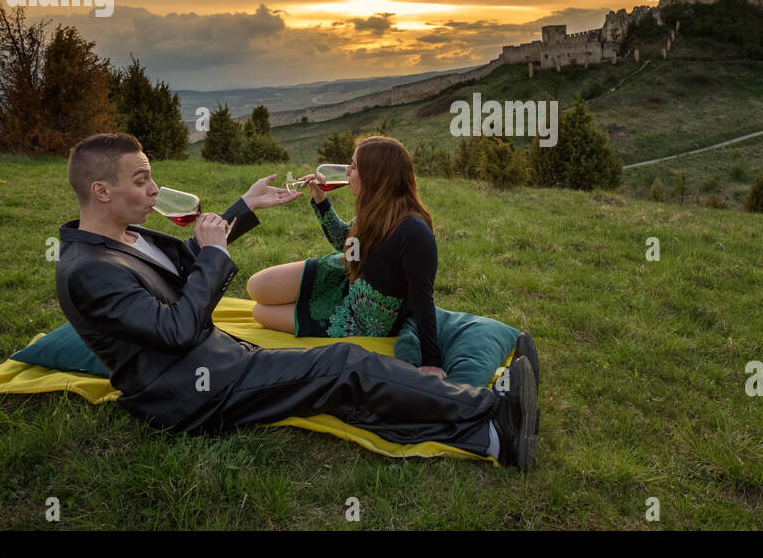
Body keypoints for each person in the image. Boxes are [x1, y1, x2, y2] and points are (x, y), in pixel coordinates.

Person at [52, 132, 538, 469]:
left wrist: (244, 206)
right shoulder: (88, 272)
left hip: (223, 363)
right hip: (193, 396)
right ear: (101, 190)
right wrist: (216, 258)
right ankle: (488, 408)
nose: (155, 188)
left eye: (150, 175)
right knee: (342, 364)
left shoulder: (127, 236)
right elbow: (177, 329)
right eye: (140, 180)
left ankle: (489, 439)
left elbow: (190, 256)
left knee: (337, 389)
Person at [246, 136, 446, 375]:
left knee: (260, 312)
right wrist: (320, 201)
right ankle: (303, 298)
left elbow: (423, 300)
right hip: (341, 277)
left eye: (354, 167)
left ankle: (305, 304)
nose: (347, 172)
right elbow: (346, 243)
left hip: (354, 317)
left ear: (375, 176)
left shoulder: (414, 232)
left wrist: (432, 361)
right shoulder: (375, 211)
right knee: (254, 287)